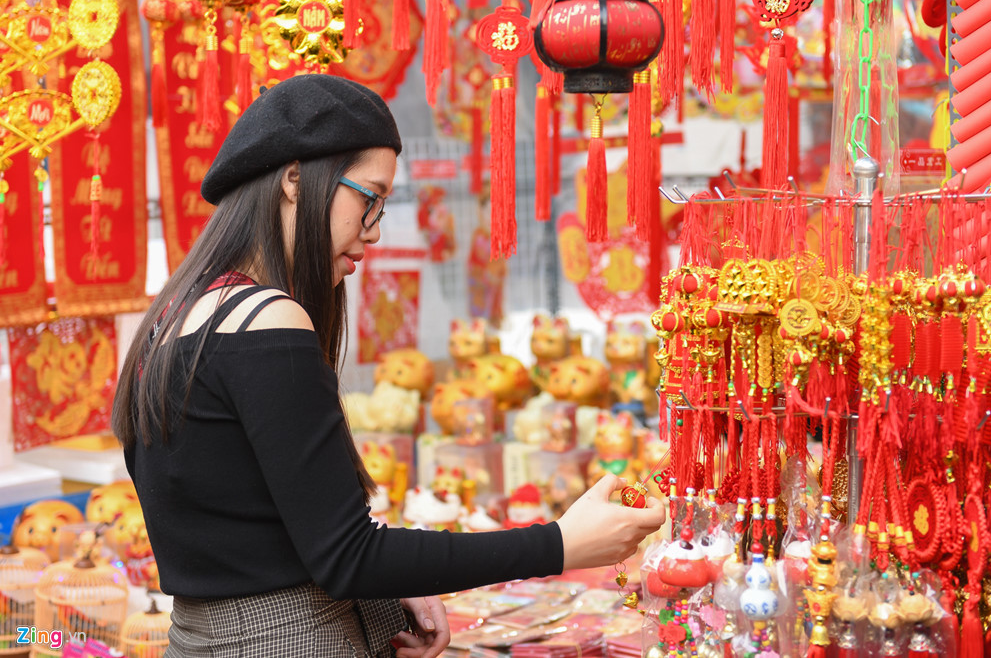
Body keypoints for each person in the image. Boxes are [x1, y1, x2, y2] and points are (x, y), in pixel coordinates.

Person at [111, 74, 665, 658]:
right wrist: (559, 544)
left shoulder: (178, 314)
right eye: (368, 198)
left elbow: (265, 541)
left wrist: (394, 585)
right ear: (296, 180)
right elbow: (348, 556)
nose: (373, 230)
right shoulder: (268, 319)